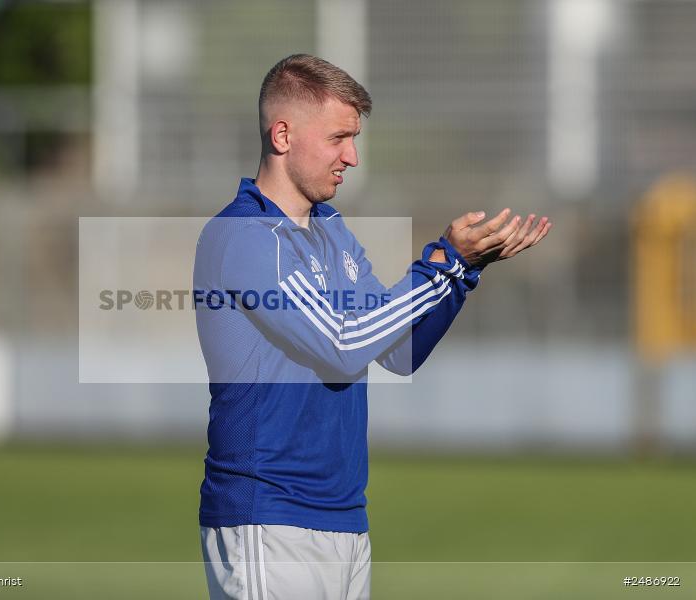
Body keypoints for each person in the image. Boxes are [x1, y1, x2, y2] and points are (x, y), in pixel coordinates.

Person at [193, 53, 550, 600]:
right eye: (338, 138)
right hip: (268, 517)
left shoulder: (330, 229)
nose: (352, 157)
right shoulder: (246, 236)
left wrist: (462, 273)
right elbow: (343, 344)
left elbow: (397, 351)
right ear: (283, 135)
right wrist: (442, 265)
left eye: (353, 139)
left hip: (343, 516)